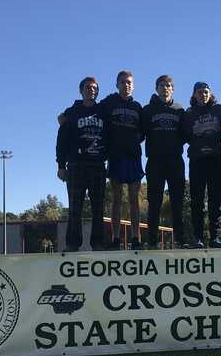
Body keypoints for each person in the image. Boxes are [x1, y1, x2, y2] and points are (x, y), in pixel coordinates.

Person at [55, 77, 107, 251]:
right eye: (87, 87)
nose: (91, 90)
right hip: (76, 165)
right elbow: (61, 140)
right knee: (74, 207)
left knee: (98, 207)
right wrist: (61, 165)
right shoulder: (71, 113)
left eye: (94, 88)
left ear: (98, 91)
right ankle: (72, 244)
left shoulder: (103, 111)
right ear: (81, 90)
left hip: (97, 165)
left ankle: (98, 243)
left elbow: (111, 137)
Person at [141, 75, 187, 249]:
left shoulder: (179, 110)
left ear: (173, 89)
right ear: (156, 88)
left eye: (168, 85)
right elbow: (140, 133)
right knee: (154, 201)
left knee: (177, 202)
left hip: (175, 160)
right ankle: (151, 241)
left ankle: (180, 239)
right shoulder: (148, 110)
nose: (165, 88)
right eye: (162, 85)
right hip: (155, 161)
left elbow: (185, 135)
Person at [102, 70, 144, 250]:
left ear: (133, 86)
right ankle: (116, 239)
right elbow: (93, 111)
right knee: (116, 199)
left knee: (134, 199)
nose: (126, 85)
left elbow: (143, 132)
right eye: (122, 82)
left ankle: (136, 239)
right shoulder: (109, 102)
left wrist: (132, 142)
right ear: (117, 84)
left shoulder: (138, 107)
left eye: (129, 83)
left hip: (133, 157)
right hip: (116, 157)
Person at [183, 82, 221, 248]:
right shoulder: (189, 113)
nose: (203, 94)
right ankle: (198, 237)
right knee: (197, 200)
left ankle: (215, 236)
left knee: (216, 200)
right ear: (194, 95)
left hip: (215, 159)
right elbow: (184, 134)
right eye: (199, 92)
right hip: (197, 160)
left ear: (210, 94)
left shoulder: (218, 110)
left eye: (206, 92)